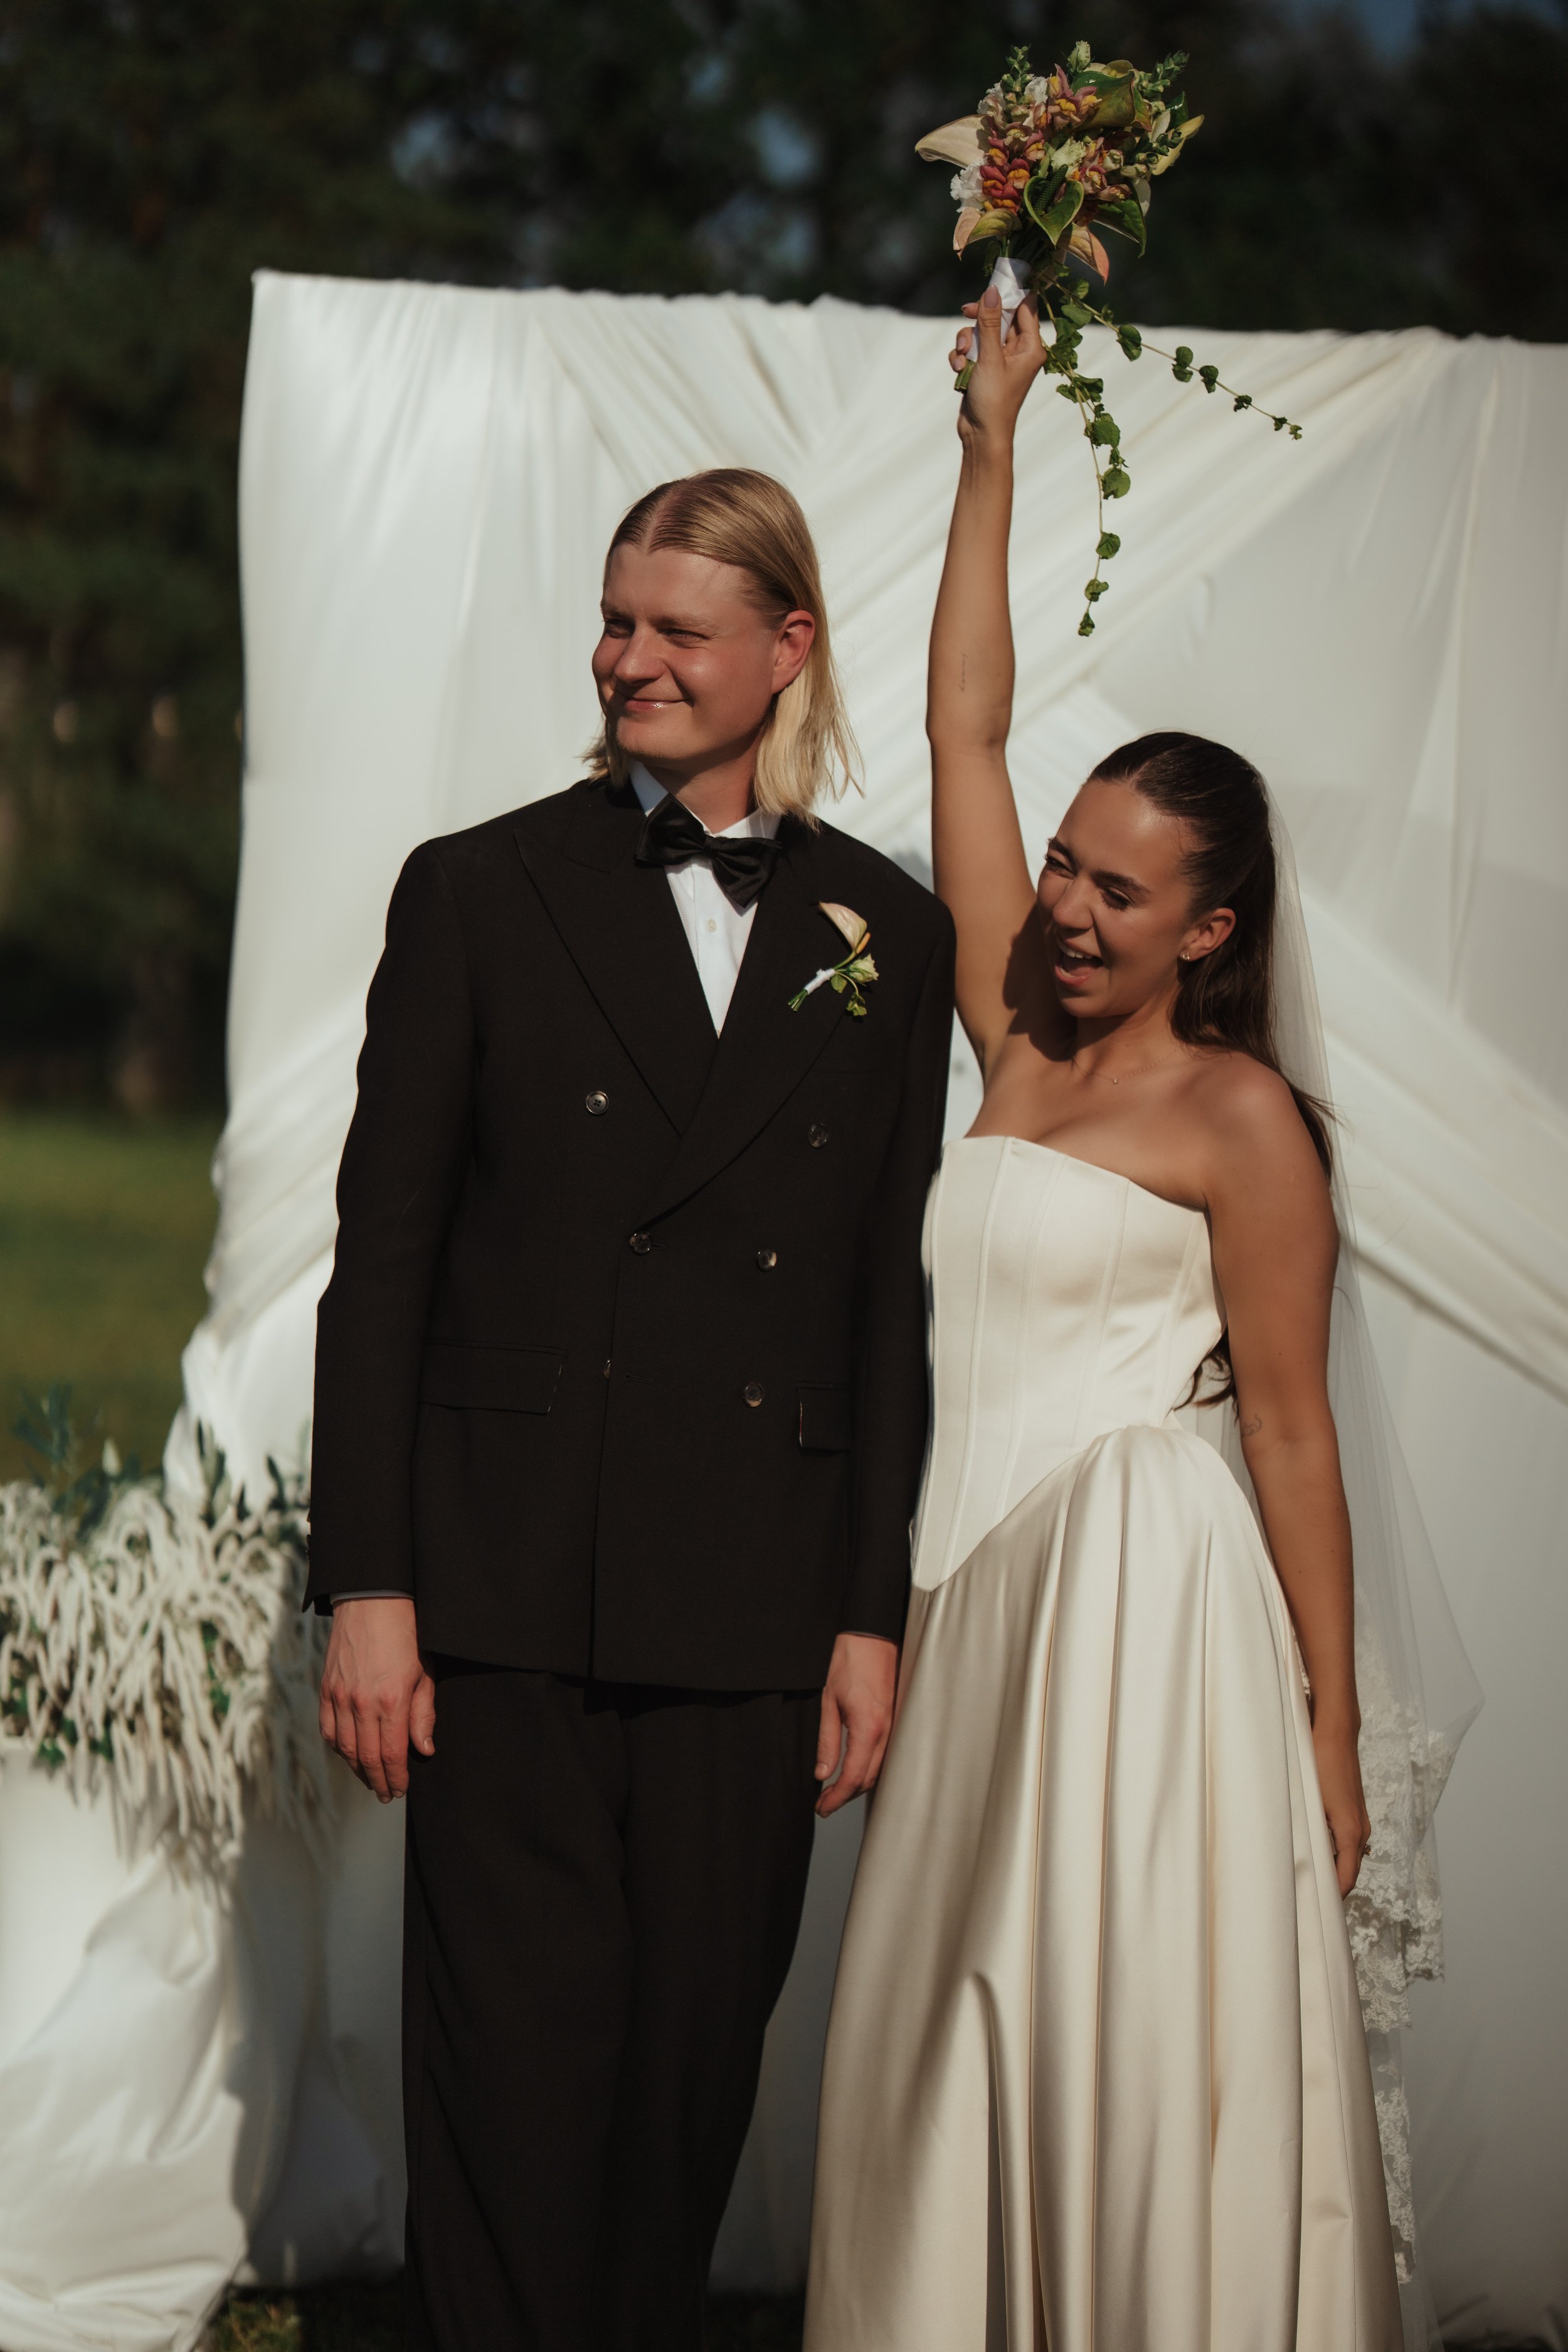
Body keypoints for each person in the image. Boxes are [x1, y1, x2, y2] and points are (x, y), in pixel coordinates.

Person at [803, 288, 1404, 2349]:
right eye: (1060, 866)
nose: (1062, 905)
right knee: (934, 2010)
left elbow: (1297, 1439)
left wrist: (1328, 1736)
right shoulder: (1003, 1025)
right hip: (972, 1603)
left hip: (1140, 1607)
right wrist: (992, 443)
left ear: (1211, 929)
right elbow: (964, 726)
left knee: (1108, 2015)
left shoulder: (1238, 1121)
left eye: (1115, 894)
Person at [304, 467, 955, 2352]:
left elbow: (880, 1304)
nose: (631, 662)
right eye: (616, 621)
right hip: (505, 1593)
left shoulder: (881, 937)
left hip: (755, 1603)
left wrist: (866, 1607)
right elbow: (388, 1265)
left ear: (787, 648)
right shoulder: (483, 888)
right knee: (509, 2087)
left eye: (678, 630)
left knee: (682, 2095)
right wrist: (371, 1583)